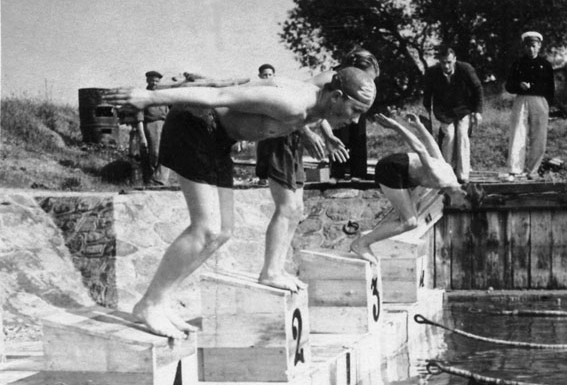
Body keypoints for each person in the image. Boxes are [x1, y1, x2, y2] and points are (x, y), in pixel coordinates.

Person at [103, 67, 376, 339]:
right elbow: (219, 95)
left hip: (217, 137)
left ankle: (160, 301)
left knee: (223, 232)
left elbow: (332, 74)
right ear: (337, 97)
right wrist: (150, 98)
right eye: (355, 111)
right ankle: (149, 304)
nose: (355, 121)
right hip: (194, 125)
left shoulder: (320, 99)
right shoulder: (292, 103)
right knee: (206, 228)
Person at [257, 50, 378, 293]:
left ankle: (277, 269)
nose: (367, 87)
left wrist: (329, 135)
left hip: (292, 140)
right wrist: (308, 132)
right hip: (283, 136)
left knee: (297, 209)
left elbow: (318, 112)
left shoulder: (337, 85)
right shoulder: (330, 79)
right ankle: (269, 271)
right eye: (367, 79)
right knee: (287, 208)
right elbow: (297, 104)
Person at [349, 113, 463, 264]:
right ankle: (361, 243)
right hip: (392, 169)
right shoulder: (441, 179)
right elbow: (421, 149)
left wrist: (419, 126)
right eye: (462, 204)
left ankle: (369, 238)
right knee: (410, 222)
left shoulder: (450, 176)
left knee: (407, 217)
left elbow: (433, 146)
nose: (456, 206)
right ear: (464, 193)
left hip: (403, 171)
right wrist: (396, 126)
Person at [423, 46, 484, 183]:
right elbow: (427, 93)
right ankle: (447, 171)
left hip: (464, 107)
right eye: (443, 62)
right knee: (449, 136)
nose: (446, 66)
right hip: (444, 110)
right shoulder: (432, 73)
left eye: (449, 62)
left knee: (462, 134)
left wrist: (477, 111)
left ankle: (463, 174)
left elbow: (478, 89)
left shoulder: (466, 69)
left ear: (455, 60)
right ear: (439, 61)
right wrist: (427, 109)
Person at [505, 31, 555, 180]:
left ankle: (533, 170)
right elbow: (509, 85)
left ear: (539, 46)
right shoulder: (518, 63)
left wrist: (547, 106)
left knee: (539, 136)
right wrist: (519, 85)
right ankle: (515, 169)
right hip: (521, 100)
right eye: (527, 46)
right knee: (517, 133)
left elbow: (550, 88)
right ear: (524, 47)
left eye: (533, 46)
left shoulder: (545, 65)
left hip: (540, 101)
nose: (530, 49)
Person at [329, 48, 381, 180]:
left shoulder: (369, 68)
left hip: (356, 103)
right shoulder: (337, 76)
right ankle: (337, 172)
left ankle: (358, 172)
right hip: (341, 106)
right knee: (340, 135)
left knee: (358, 135)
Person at [137, 71, 170, 186]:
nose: (154, 83)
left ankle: (161, 180)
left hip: (165, 124)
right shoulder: (143, 96)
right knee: (154, 153)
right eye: (152, 80)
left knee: (166, 153)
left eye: (157, 81)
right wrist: (142, 136)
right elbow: (139, 118)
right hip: (151, 124)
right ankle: (151, 179)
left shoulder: (163, 95)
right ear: (147, 81)